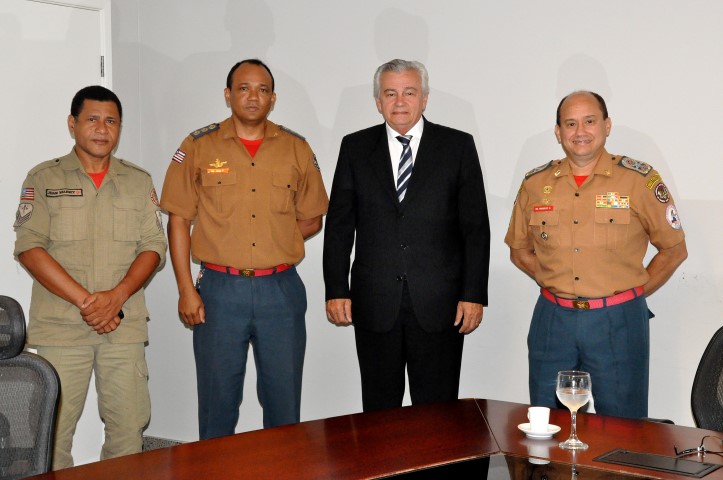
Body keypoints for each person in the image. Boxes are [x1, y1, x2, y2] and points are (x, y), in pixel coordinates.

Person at [160, 59, 328, 439]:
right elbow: (178, 221)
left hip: (281, 292)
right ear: (227, 95)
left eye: (263, 89)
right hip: (220, 291)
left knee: (284, 404)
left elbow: (312, 217)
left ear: (273, 98)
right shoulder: (198, 146)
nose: (254, 96)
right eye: (244, 88)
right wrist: (187, 289)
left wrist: (274, 241)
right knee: (217, 402)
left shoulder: (296, 148)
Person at [505, 91, 688, 419]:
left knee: (623, 426)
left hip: (617, 322)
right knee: (548, 426)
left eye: (589, 121)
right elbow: (519, 250)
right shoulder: (536, 183)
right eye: (570, 123)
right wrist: (553, 278)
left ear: (607, 126)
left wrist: (628, 297)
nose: (580, 131)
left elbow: (674, 250)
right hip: (553, 319)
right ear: (558, 132)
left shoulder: (638, 180)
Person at [323, 59, 490, 412]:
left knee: (437, 414)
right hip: (374, 303)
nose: (400, 102)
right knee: (379, 412)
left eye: (409, 92)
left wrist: (473, 294)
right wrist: (336, 289)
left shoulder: (457, 147)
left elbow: (475, 228)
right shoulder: (355, 147)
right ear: (378, 102)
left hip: (440, 305)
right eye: (390, 93)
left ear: (425, 98)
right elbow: (339, 225)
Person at [13, 85, 167, 469]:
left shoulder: (138, 180)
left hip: (123, 327)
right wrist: (88, 302)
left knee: (128, 429)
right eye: (93, 119)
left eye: (111, 121)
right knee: (51, 433)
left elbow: (153, 246)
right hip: (62, 329)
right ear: (73, 124)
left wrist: (116, 297)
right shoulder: (44, 177)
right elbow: (29, 248)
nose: (102, 129)